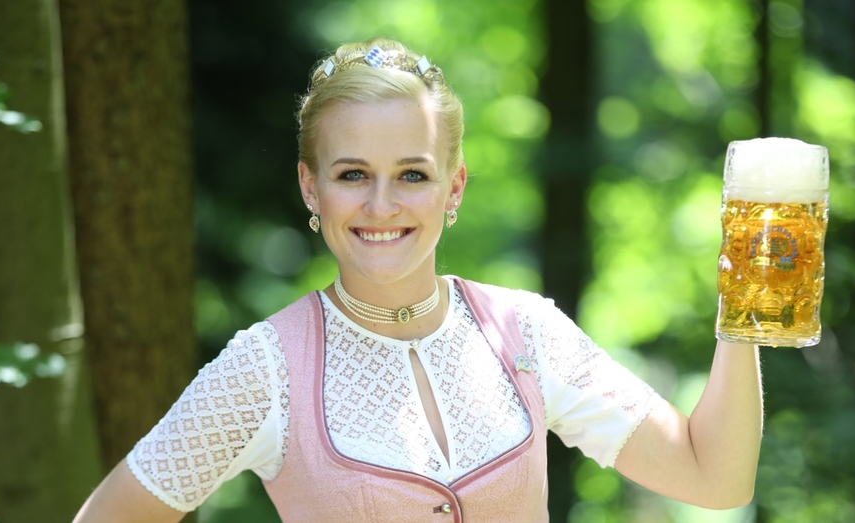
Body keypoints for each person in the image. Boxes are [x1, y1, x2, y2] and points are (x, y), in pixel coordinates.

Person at [73, 38, 763, 523]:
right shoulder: (265, 367)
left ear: (452, 186)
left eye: (411, 174)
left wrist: (748, 305)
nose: (381, 205)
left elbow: (714, 477)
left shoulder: (527, 333)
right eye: (352, 175)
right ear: (310, 188)